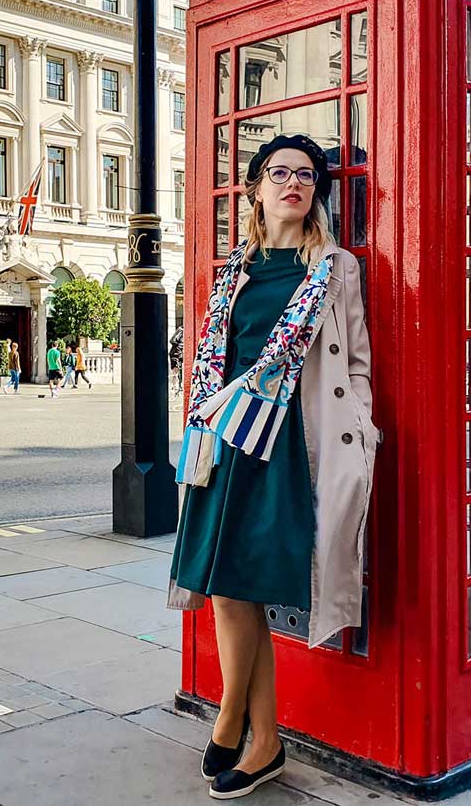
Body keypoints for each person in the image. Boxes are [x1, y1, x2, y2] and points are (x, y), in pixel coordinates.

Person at [167, 134, 379, 800]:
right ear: (256, 188)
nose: (294, 183)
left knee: (249, 582)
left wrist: (363, 430)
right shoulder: (236, 267)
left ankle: (245, 729)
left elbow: (356, 364)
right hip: (229, 434)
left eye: (307, 175)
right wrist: (199, 418)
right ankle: (258, 734)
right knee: (230, 587)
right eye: (280, 172)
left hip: (291, 441)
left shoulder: (334, 267)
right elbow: (214, 356)